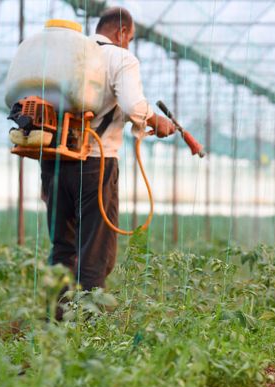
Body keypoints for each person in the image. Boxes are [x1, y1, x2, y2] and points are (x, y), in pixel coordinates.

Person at [40, 7, 176, 303]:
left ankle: (56, 320)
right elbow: (133, 105)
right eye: (130, 38)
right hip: (94, 163)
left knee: (62, 247)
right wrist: (157, 121)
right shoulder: (120, 57)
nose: (129, 44)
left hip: (52, 160)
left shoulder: (69, 54)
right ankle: (89, 330)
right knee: (95, 252)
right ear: (122, 32)